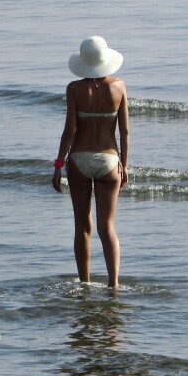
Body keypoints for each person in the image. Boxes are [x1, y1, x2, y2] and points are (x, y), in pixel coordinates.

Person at [52, 36, 129, 288]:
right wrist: (124, 166)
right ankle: (113, 284)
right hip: (109, 160)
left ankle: (85, 283)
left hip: (79, 159)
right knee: (108, 227)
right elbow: (125, 132)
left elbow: (70, 131)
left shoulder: (74, 89)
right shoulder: (119, 86)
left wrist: (58, 165)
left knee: (82, 226)